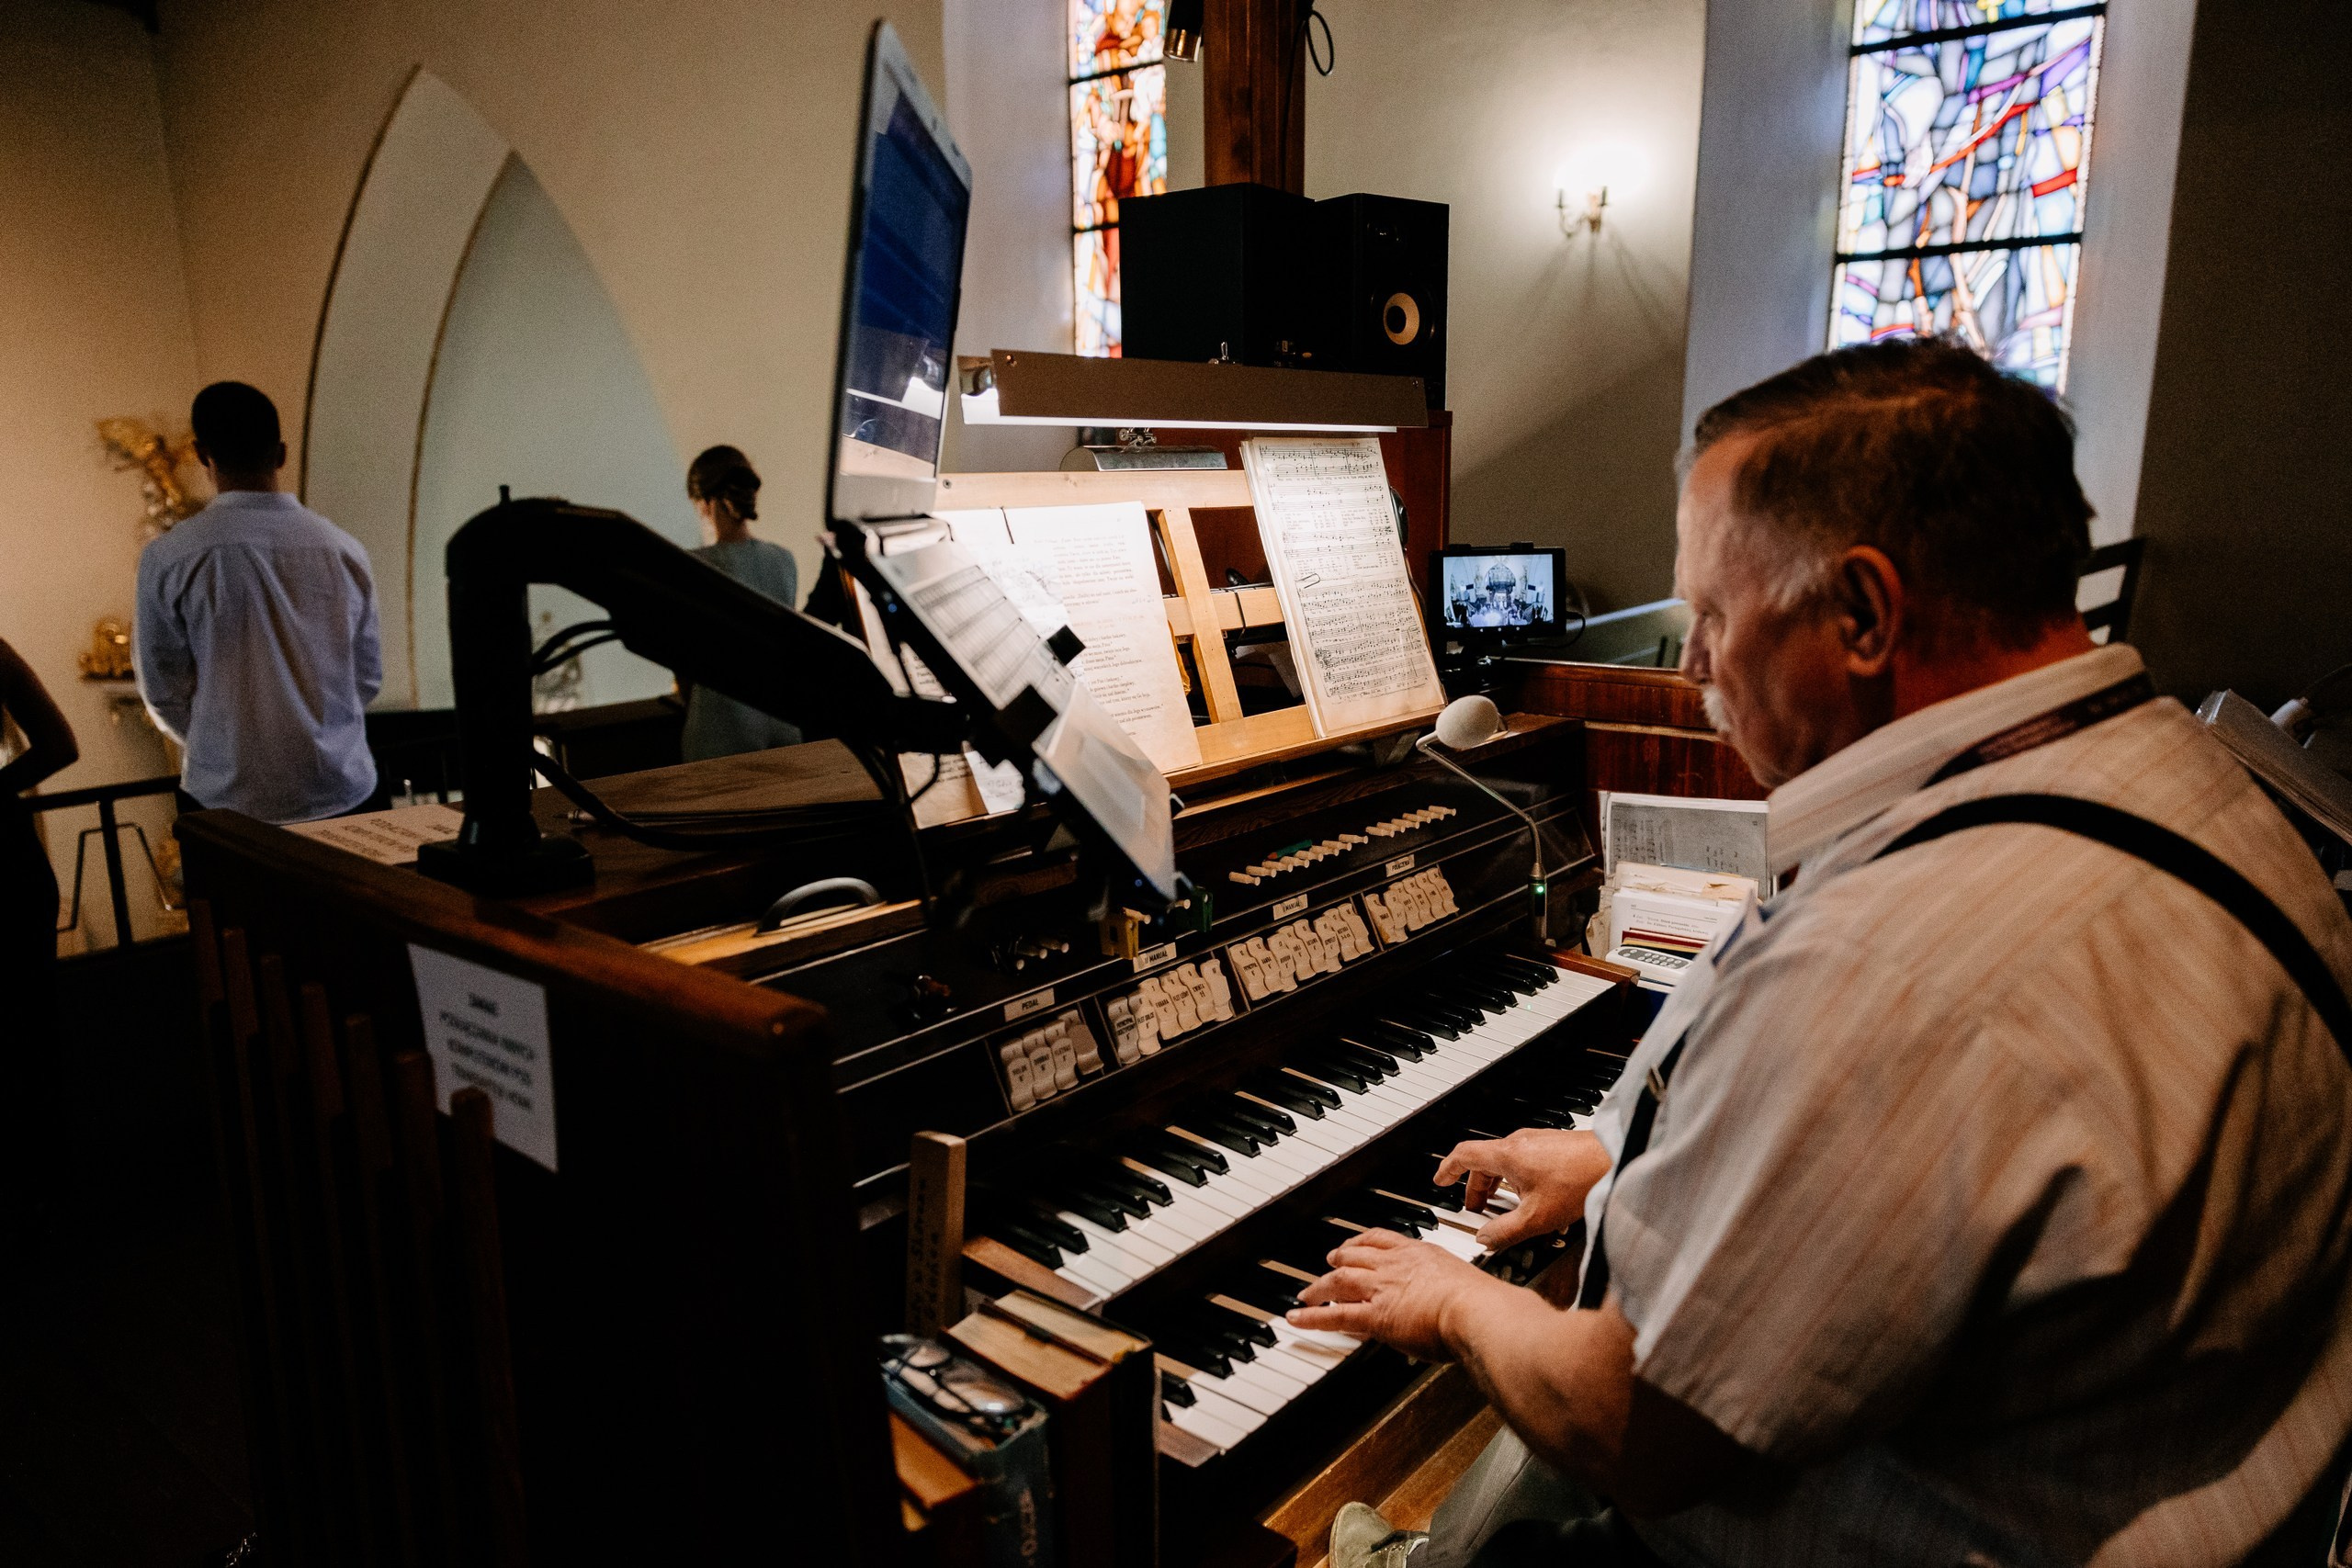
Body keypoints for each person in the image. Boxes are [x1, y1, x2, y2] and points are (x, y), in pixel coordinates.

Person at [1302, 339, 2352, 1568]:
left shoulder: (1888, 962)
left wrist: (1451, 1298)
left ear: (1862, 613)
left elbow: (1627, 1422)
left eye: (1712, 614)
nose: (1694, 664)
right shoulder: (2211, 785)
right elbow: (1980, 1166)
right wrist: (1613, 1162)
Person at [135, 381, 380, 823]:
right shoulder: (344, 549)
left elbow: (163, 689)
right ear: (281, 454)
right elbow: (366, 675)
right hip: (341, 787)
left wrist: (224, 748)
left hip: (228, 801)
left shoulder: (170, 557)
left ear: (203, 455)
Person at [2, 637, 78, 1247]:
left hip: (9, 872)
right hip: (11, 862)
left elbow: (60, 744)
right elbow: (59, 744)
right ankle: (45, 1198)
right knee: (30, 1033)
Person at [680, 445, 803, 761]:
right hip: (786, 730)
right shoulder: (784, 560)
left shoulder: (694, 566)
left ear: (706, 503)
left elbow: (684, 657)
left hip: (719, 742)